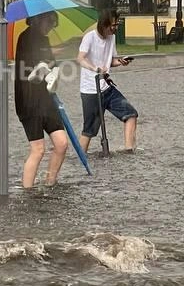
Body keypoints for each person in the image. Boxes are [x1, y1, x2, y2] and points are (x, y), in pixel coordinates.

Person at [14, 11, 69, 189]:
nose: (52, 27)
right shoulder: (26, 38)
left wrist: (52, 68)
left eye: (54, 24)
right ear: (39, 19)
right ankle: (28, 191)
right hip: (29, 100)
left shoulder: (43, 39)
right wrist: (44, 66)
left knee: (61, 144)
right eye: (50, 22)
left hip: (46, 99)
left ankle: (49, 184)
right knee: (38, 150)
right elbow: (32, 67)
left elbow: (51, 63)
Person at [77, 10, 138, 154]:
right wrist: (95, 69)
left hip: (107, 88)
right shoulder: (89, 38)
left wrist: (120, 62)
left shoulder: (112, 38)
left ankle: (129, 151)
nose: (115, 28)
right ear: (103, 24)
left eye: (117, 24)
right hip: (91, 91)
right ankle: (80, 158)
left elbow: (110, 61)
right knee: (89, 130)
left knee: (131, 114)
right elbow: (80, 58)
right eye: (113, 25)